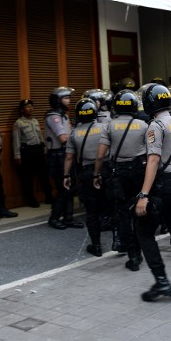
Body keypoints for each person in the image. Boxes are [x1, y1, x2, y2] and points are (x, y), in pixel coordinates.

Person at [134, 83, 171, 302]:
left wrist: (144, 195)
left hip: (162, 185)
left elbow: (153, 159)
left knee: (144, 231)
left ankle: (161, 280)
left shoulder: (155, 126)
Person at [94, 89, 148, 270]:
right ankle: (145, 249)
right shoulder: (143, 125)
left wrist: (96, 174)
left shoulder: (109, 126)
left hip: (119, 173)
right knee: (141, 211)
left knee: (123, 214)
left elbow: (100, 155)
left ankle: (133, 256)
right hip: (140, 171)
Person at [62, 99, 103, 252]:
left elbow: (69, 157)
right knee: (114, 208)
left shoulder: (74, 134)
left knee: (92, 212)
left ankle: (97, 246)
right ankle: (120, 242)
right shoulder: (104, 128)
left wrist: (66, 176)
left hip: (86, 173)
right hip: (106, 171)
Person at [46, 86, 78, 230]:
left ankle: (68, 218)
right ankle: (54, 218)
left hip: (66, 154)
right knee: (63, 188)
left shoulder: (63, 115)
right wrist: (79, 135)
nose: (69, 100)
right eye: (66, 98)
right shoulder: (54, 117)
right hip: (58, 155)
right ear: (58, 101)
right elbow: (63, 138)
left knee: (70, 188)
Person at [12, 99, 53, 208]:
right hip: (27, 152)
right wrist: (17, 155)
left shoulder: (35, 121)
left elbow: (40, 136)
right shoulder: (18, 123)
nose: (30, 108)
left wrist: (44, 149)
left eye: (31, 106)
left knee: (44, 175)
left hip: (38, 150)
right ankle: (31, 199)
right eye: (27, 107)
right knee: (27, 177)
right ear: (22, 110)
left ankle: (49, 196)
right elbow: (16, 140)